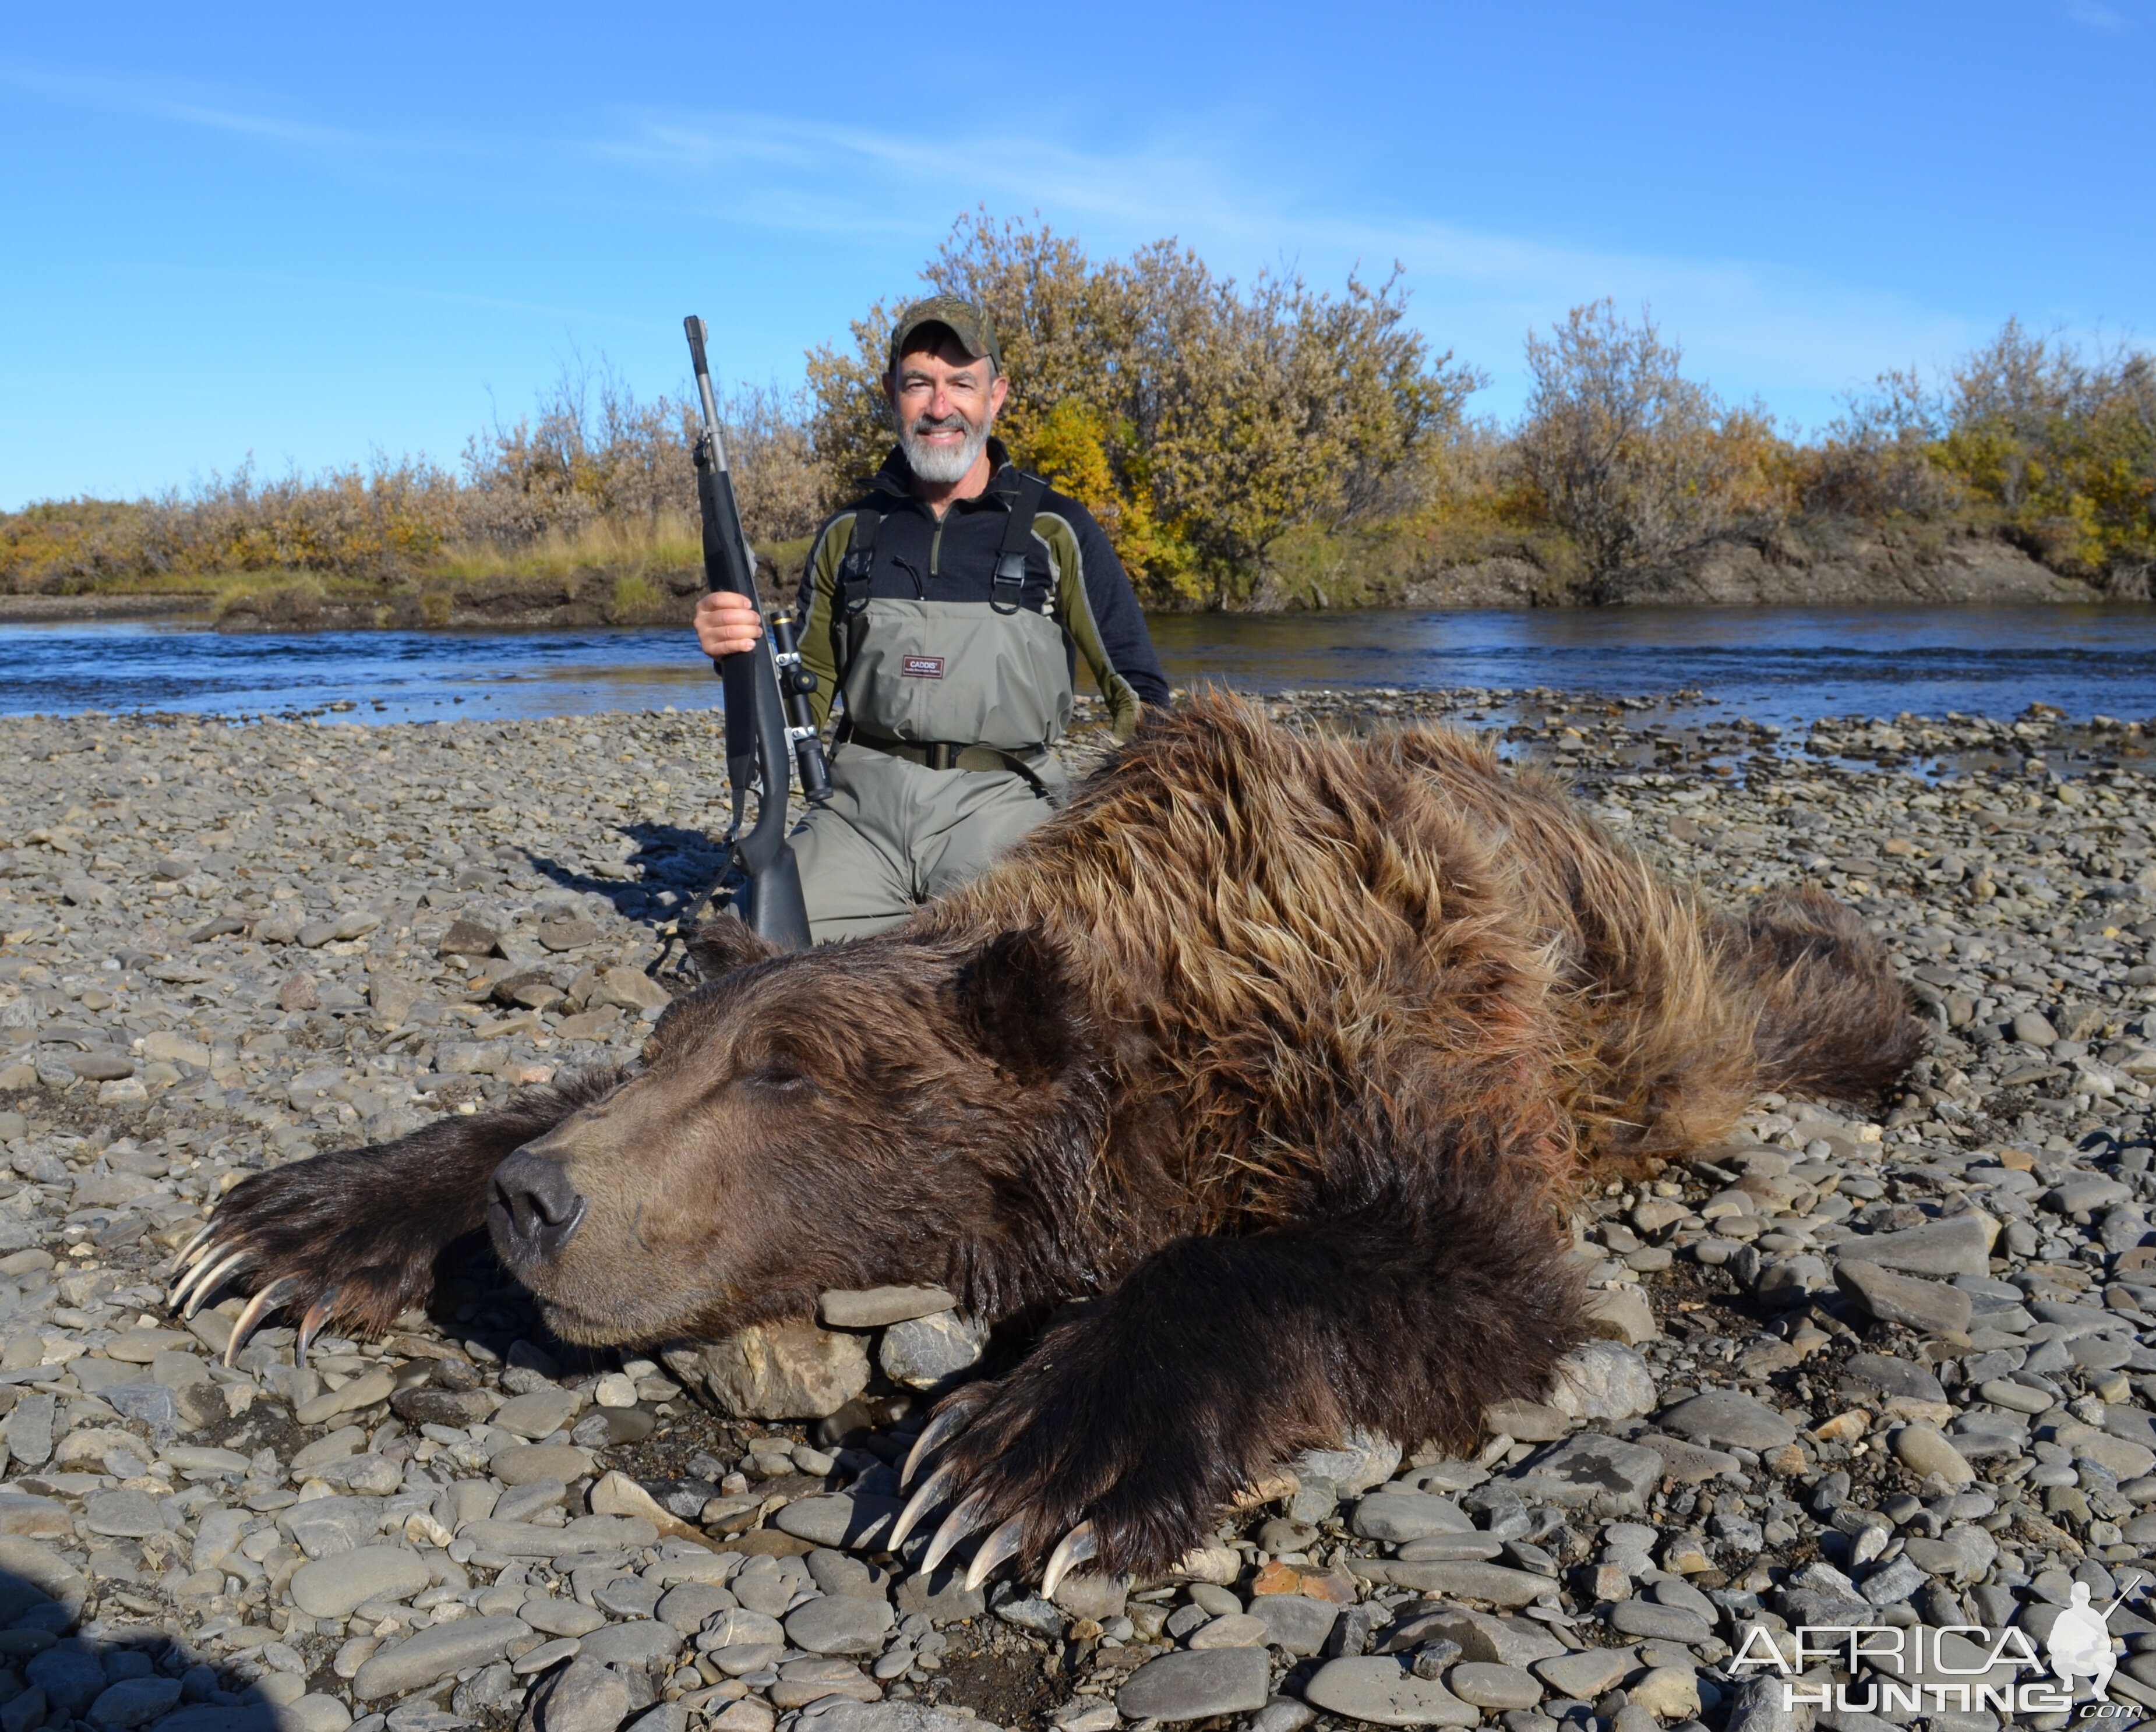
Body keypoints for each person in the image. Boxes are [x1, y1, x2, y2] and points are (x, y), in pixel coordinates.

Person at [694, 295, 1171, 942]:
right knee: (747, 953)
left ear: (995, 395)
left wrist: (1139, 835)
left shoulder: (1057, 529)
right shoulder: (848, 533)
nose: (939, 407)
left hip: (1003, 810)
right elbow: (796, 701)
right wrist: (733, 653)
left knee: (1040, 974)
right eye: (919, 383)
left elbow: (1139, 694)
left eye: (960, 384)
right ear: (892, 393)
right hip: (860, 815)